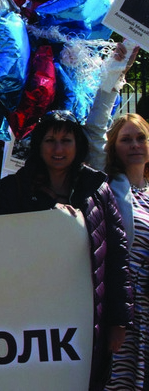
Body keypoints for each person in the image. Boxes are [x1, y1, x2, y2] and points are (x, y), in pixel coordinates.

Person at [0, 110, 132, 391]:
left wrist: (119, 321)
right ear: (38, 145)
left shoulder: (98, 189)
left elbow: (117, 257)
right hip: (28, 313)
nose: (58, 149)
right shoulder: (14, 188)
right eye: (50, 140)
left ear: (78, 144)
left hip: (87, 314)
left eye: (66, 140)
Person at [102, 114, 149, 389]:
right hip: (124, 307)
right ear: (114, 148)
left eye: (141, 138)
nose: (135, 145)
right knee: (120, 380)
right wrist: (112, 78)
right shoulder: (109, 188)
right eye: (126, 139)